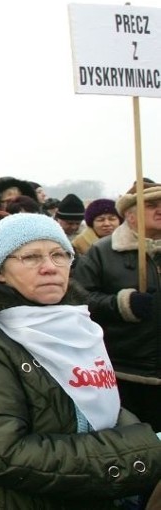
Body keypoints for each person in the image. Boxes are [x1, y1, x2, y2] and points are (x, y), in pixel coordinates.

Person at [0, 213, 161, 509]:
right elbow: (7, 454)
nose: (49, 268)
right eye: (30, 257)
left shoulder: (78, 325)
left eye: (59, 255)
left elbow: (103, 406)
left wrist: (145, 440)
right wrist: (146, 450)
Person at [73, 181, 161, 431]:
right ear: (130, 215)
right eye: (151, 205)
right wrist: (120, 304)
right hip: (125, 371)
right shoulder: (102, 252)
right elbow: (78, 299)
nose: (160, 210)